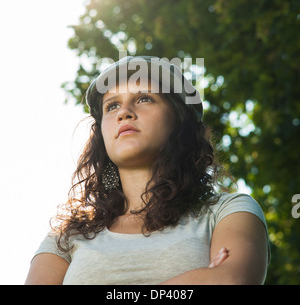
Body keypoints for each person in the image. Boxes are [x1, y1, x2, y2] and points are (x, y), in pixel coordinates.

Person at [25, 56, 270, 285]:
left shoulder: (229, 211)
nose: (124, 112)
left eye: (144, 98)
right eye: (112, 106)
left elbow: (230, 280)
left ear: (179, 120)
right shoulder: (65, 238)